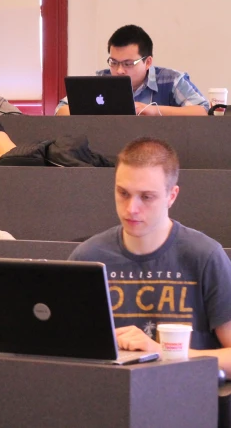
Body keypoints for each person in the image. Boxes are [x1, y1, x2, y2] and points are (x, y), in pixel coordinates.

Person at [69, 137, 231, 372]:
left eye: (146, 197)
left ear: (172, 196)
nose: (131, 209)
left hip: (184, 397)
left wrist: (162, 353)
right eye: (123, 193)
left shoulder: (205, 256)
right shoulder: (88, 257)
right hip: (106, 396)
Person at [56, 25, 209, 116]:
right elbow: (60, 110)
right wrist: (96, 110)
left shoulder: (171, 80)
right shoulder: (101, 80)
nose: (119, 70)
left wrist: (154, 111)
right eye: (113, 62)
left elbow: (201, 111)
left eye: (128, 64)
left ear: (147, 62)